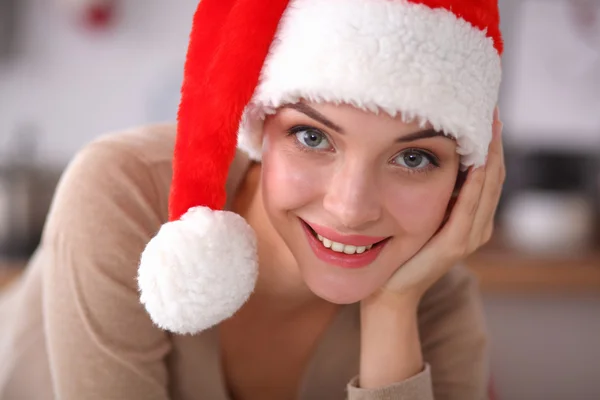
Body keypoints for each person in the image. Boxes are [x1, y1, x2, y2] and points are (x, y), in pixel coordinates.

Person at [0, 0, 505, 399]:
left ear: (468, 177)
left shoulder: (434, 296)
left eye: (413, 159)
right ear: (260, 130)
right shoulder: (126, 194)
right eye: (312, 138)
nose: (351, 208)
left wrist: (392, 309)